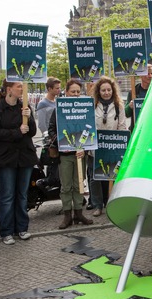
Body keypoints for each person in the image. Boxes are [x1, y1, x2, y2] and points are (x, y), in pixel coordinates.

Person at [0, 80, 37, 245]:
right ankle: (7, 231)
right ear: (9, 89)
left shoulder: (25, 107)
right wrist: (16, 132)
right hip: (6, 157)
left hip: (25, 157)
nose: (22, 89)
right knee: (7, 195)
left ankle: (22, 228)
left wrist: (29, 119)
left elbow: (33, 131)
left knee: (22, 195)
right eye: (19, 87)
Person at [48, 79, 93, 229]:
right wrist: (61, 141)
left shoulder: (86, 108)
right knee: (66, 186)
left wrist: (85, 147)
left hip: (80, 154)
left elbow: (90, 129)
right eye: (72, 91)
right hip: (66, 154)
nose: (75, 94)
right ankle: (67, 215)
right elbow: (52, 129)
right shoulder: (59, 108)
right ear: (66, 92)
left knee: (79, 184)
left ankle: (79, 213)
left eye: (78, 92)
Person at [88, 76, 127, 216]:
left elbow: (122, 126)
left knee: (113, 174)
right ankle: (97, 205)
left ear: (113, 90)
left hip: (112, 145)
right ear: (99, 91)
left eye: (109, 90)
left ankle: (112, 203)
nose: (106, 92)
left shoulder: (119, 106)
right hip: (95, 146)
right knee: (95, 178)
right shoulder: (92, 105)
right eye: (103, 90)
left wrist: (121, 143)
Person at [36, 77, 61, 189]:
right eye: (56, 88)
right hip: (50, 140)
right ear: (49, 88)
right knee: (51, 163)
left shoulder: (57, 102)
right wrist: (49, 137)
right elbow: (41, 124)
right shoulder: (42, 104)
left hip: (58, 138)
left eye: (59, 88)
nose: (59, 90)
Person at [125, 64, 152, 131]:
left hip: (151, 129)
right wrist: (130, 106)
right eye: (148, 74)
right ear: (141, 75)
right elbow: (126, 113)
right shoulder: (133, 92)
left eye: (151, 73)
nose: (150, 76)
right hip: (137, 130)